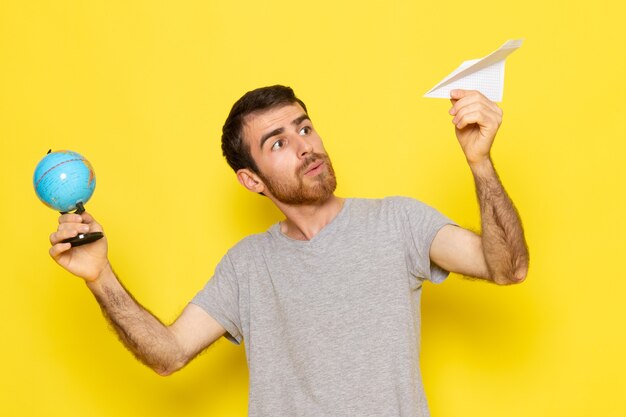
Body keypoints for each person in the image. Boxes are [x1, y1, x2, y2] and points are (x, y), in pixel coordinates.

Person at [49, 85, 528, 417]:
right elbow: (167, 355)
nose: (305, 147)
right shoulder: (247, 266)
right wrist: (100, 276)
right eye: (278, 142)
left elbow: (508, 268)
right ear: (251, 179)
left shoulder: (398, 221)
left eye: (304, 128)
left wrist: (479, 162)